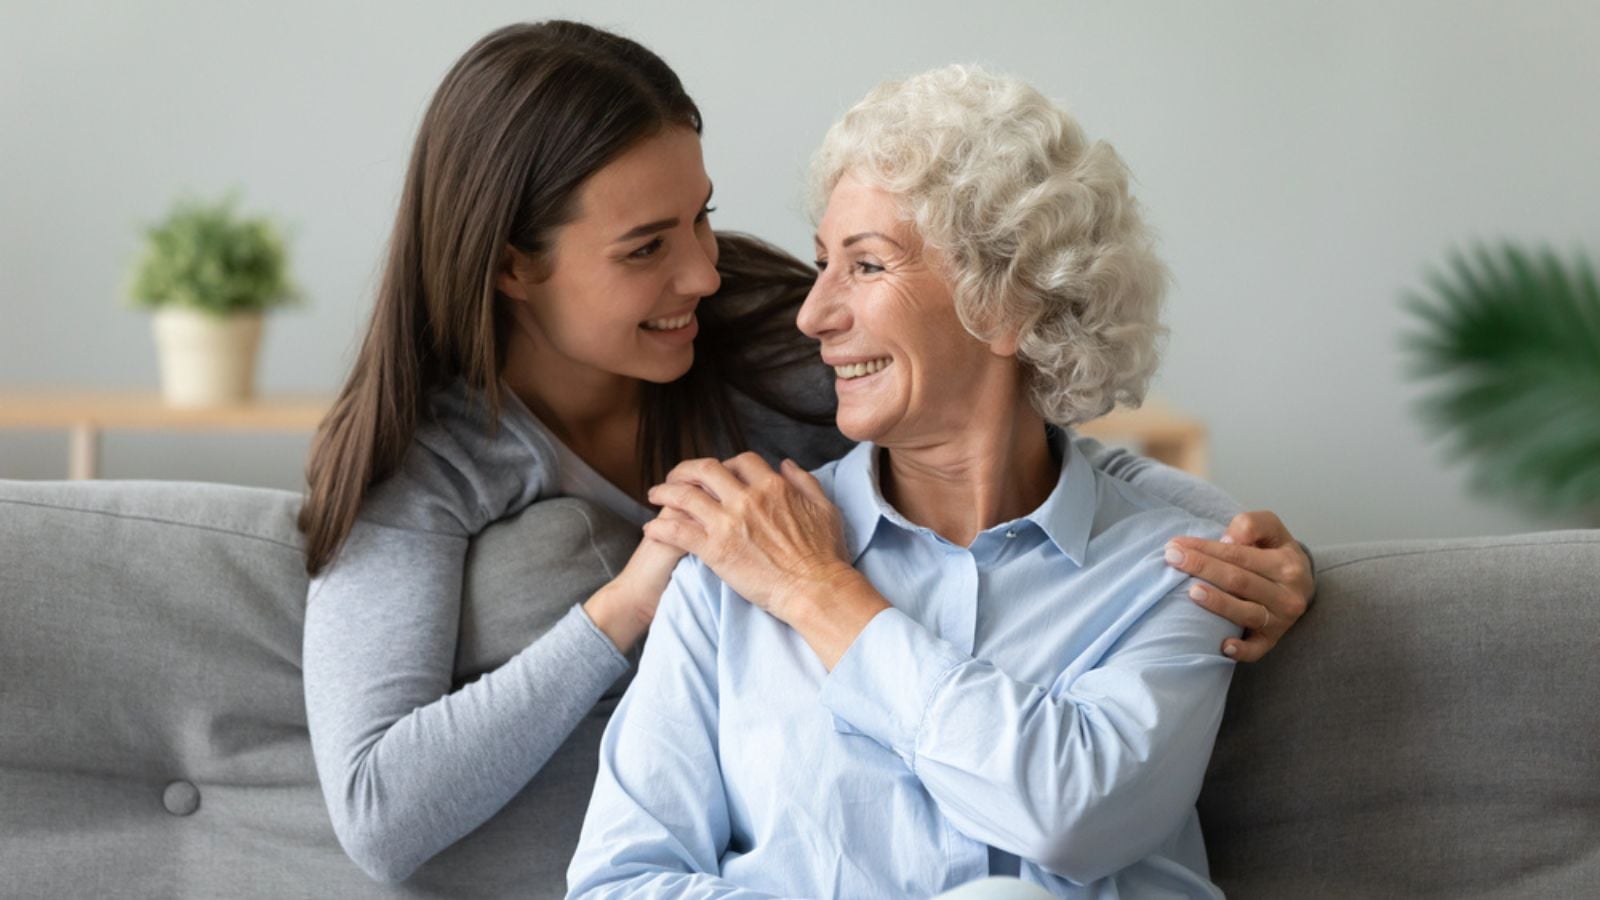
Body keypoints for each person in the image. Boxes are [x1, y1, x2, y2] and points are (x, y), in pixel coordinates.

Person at [296, 22, 1313, 885]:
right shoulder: (434, 468)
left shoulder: (756, 330)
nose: (703, 269)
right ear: (515, 266)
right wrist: (640, 590)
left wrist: (1227, 543)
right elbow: (385, 810)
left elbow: (1005, 402)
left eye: (701, 216)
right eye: (646, 247)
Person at [569, 64, 1259, 898]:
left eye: (865, 266)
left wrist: (823, 596)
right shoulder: (728, 572)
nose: (814, 315)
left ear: (1009, 300)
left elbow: (1074, 816)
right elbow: (617, 884)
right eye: (822, 263)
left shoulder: (1179, 576)